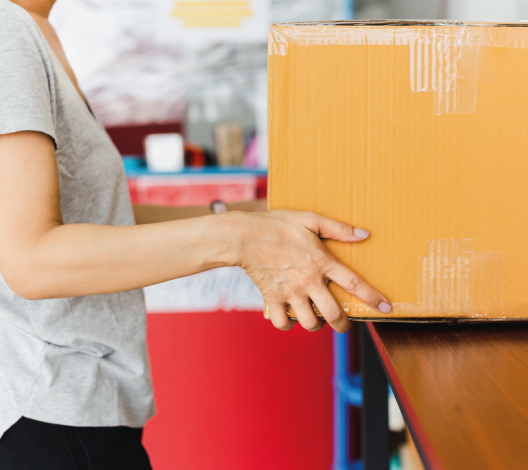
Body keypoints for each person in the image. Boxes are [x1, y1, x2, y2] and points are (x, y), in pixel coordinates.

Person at [0, 0, 392, 468]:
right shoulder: (7, 29)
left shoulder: (35, 28)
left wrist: (252, 215)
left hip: (77, 407)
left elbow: (97, 216)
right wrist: (241, 238)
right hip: (44, 412)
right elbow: (31, 261)